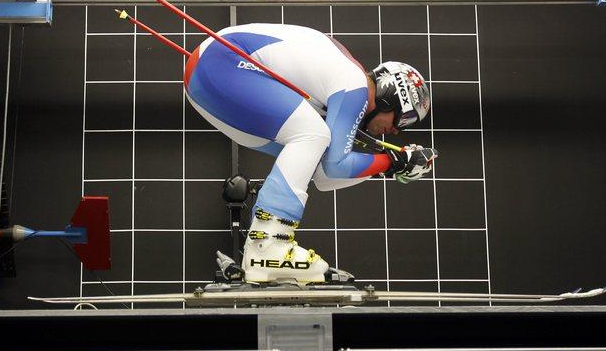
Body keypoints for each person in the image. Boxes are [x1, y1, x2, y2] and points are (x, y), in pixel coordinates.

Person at [183, 23, 436, 284]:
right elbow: (336, 166)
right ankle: (267, 248)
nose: (395, 130)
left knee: (312, 148)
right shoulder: (355, 85)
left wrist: (388, 167)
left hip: (209, 72)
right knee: (314, 134)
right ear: (390, 95)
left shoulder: (342, 86)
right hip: (223, 60)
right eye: (403, 119)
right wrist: (390, 163)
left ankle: (263, 252)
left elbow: (324, 175)